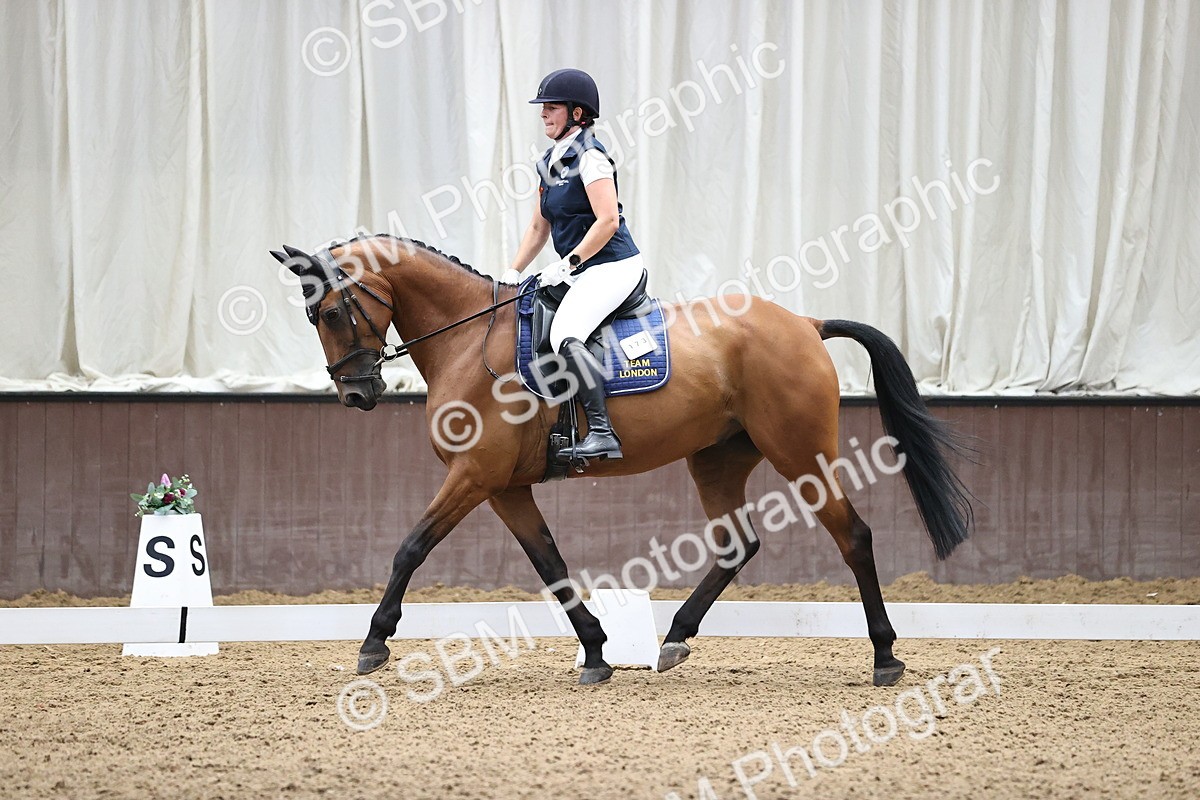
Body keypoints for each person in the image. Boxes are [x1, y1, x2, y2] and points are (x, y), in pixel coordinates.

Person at [502, 68, 645, 463]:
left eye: (552, 107)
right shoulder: (548, 162)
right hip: (582, 268)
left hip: (614, 265)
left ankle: (602, 432)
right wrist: (513, 271)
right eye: (543, 108)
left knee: (565, 331)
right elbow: (539, 226)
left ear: (577, 113)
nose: (543, 114)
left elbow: (607, 221)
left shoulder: (591, 158)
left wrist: (569, 263)